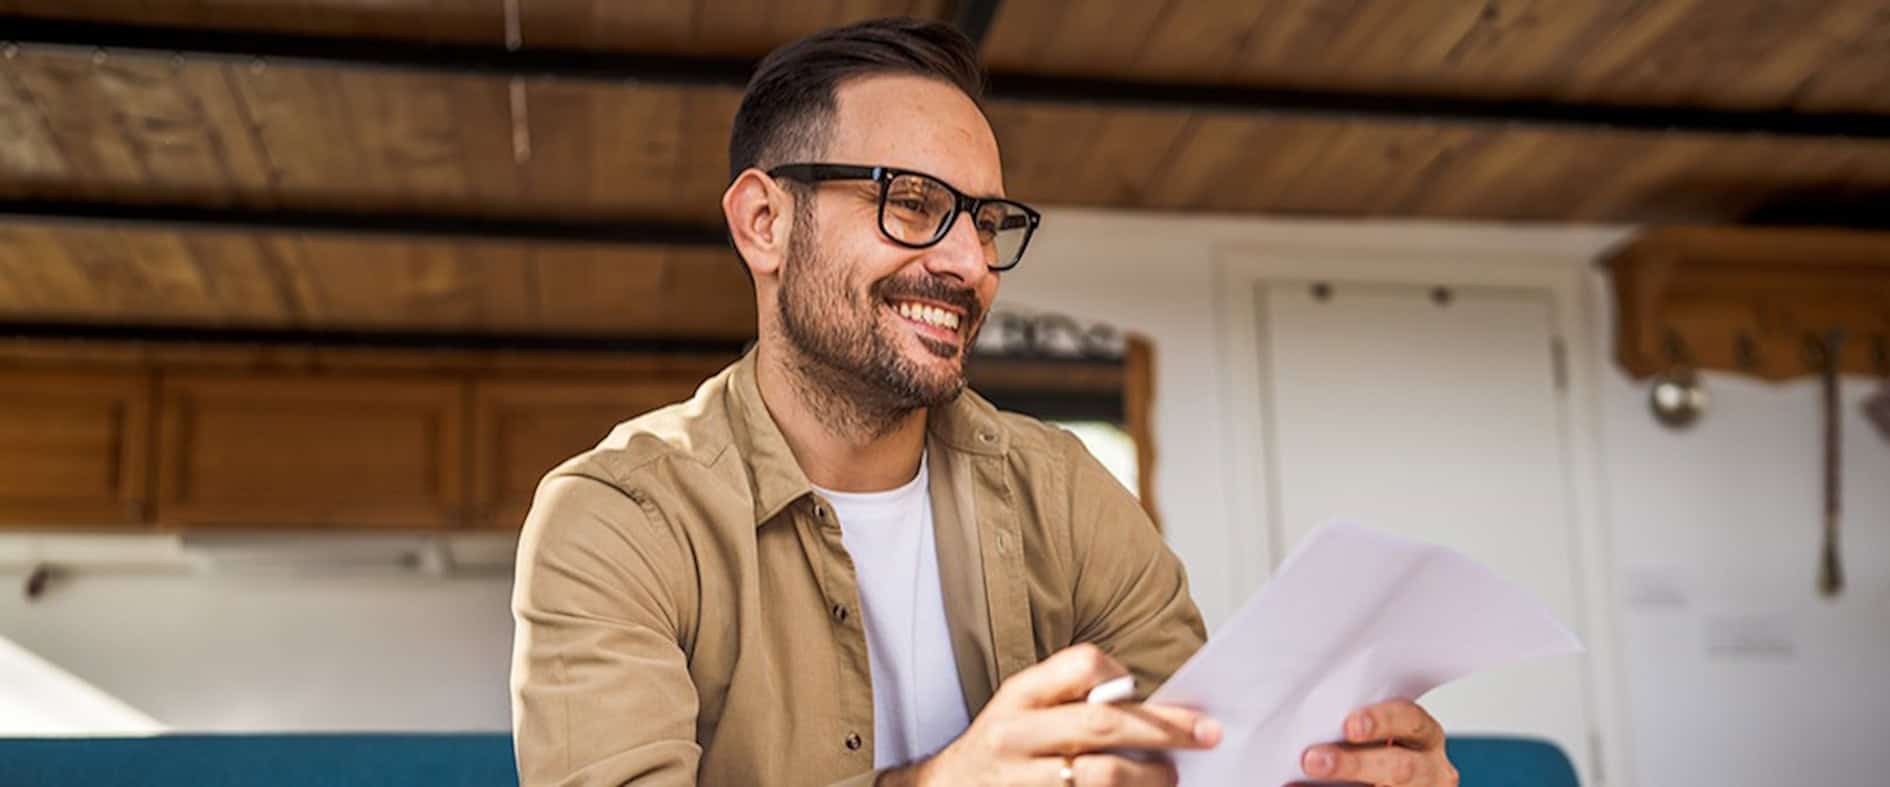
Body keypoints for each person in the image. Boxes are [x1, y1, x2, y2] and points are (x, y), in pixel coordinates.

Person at [510, 17, 1458, 787]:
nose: (968, 263)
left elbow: (1199, 758)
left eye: (987, 220)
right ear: (765, 222)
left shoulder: (1067, 494)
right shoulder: (617, 519)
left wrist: (1317, 772)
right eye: (913, 202)